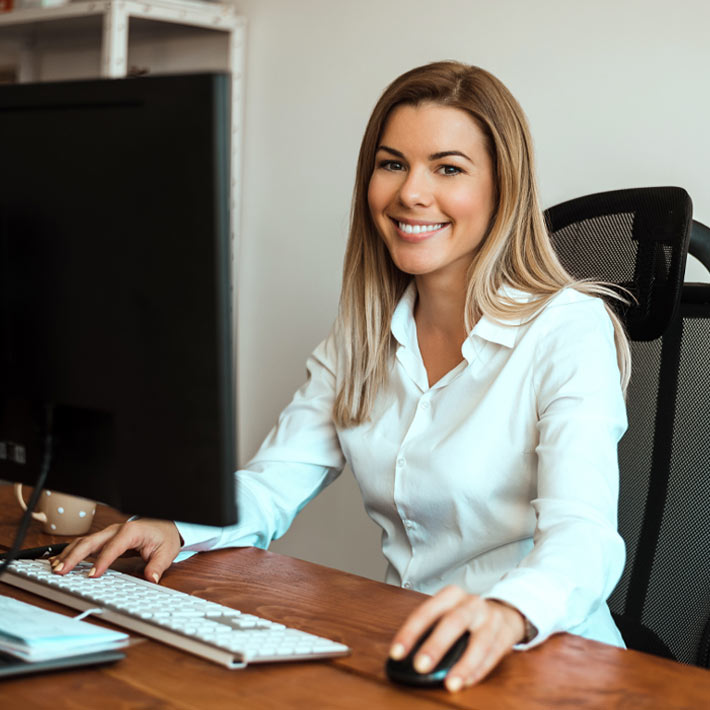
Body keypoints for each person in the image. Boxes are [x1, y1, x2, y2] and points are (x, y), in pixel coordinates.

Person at [50, 61, 630, 692]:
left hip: (543, 654)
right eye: (391, 164)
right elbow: (275, 484)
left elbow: (584, 534)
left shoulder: (567, 330)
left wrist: (510, 611)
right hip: (410, 644)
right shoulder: (363, 332)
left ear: (503, 188)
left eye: (448, 168)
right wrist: (175, 526)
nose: (411, 192)